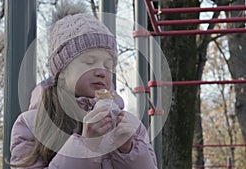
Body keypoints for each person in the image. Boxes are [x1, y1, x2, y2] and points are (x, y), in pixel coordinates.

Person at [10, 1, 157, 168]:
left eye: (108, 65)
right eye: (90, 61)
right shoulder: (31, 124)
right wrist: (86, 145)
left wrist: (128, 150)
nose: (102, 71)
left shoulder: (130, 124)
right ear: (63, 72)